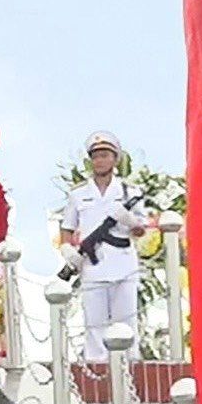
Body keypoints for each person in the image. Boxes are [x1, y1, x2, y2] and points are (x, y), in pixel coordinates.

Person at [58, 131, 150, 362]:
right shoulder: (79, 194)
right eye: (96, 156)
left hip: (123, 264)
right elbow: (67, 228)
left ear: (115, 159)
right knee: (94, 325)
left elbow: (141, 230)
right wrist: (68, 251)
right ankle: (97, 370)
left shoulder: (130, 192)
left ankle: (129, 368)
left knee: (126, 323)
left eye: (105, 155)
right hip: (93, 266)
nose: (100, 160)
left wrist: (129, 219)